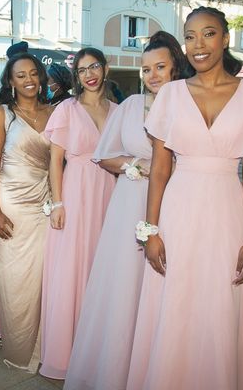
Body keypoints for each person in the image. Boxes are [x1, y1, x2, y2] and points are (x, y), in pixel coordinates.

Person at [127, 7, 243, 390]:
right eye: (190, 36)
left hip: (228, 216)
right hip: (177, 214)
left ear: (225, 39)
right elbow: (160, 169)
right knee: (175, 307)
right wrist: (150, 231)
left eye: (208, 34)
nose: (198, 45)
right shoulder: (172, 95)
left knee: (221, 307)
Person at [64, 32, 187, 390]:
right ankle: (117, 366)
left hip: (176, 201)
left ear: (175, 67)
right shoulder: (131, 105)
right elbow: (103, 155)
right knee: (125, 283)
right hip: (130, 202)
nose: (152, 76)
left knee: (163, 281)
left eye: (160, 67)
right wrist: (135, 164)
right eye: (146, 69)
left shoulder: (189, 105)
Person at [40, 47, 118, 380]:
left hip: (112, 194)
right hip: (75, 192)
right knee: (73, 269)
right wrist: (58, 203)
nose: (90, 74)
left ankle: (98, 353)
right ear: (76, 76)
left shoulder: (119, 110)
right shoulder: (67, 110)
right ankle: (65, 354)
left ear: (105, 68)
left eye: (95, 66)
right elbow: (55, 161)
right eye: (83, 69)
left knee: (103, 270)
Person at [0, 52, 54, 372]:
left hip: (44, 205)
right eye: (20, 75)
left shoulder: (56, 113)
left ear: (40, 78)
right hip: (11, 206)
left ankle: (45, 348)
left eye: (33, 74)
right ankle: (18, 350)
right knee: (15, 282)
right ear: (10, 81)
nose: (28, 80)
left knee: (43, 279)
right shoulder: (2, 115)